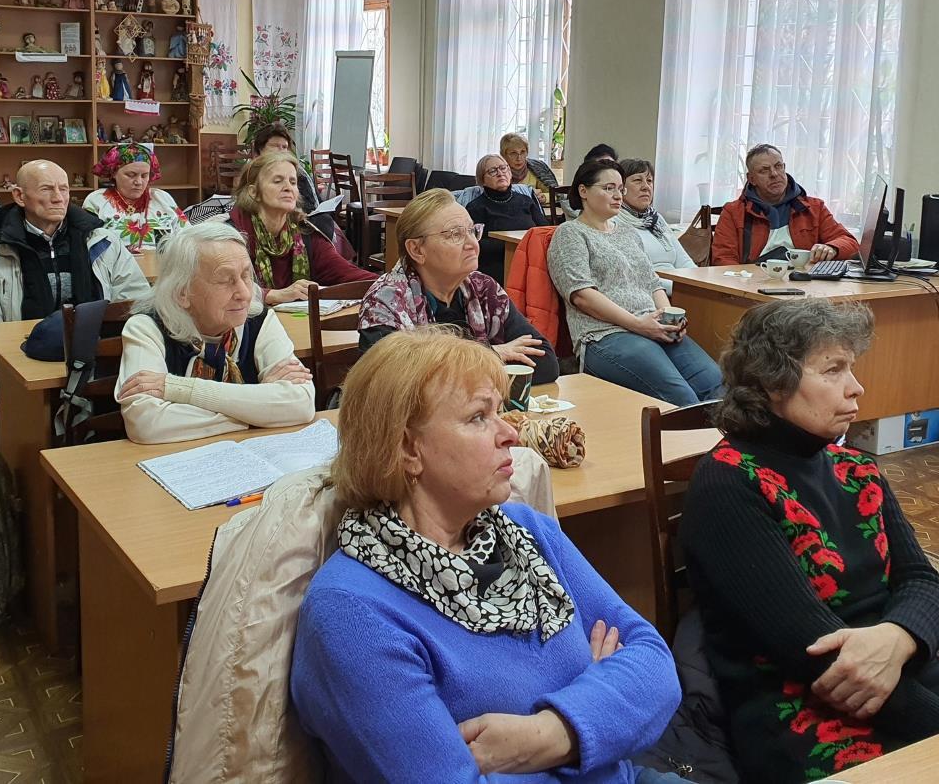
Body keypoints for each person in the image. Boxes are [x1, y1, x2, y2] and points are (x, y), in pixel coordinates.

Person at [290, 327, 683, 783]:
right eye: (479, 417)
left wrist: (550, 734)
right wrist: (603, 702)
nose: (510, 434)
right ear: (408, 449)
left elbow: (656, 666)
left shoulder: (525, 530)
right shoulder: (351, 612)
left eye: (500, 411)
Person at [681, 299, 939, 783]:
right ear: (773, 382)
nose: (857, 387)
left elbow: (922, 581)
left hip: (897, 668)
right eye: (833, 370)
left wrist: (899, 638)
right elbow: (813, 654)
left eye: (851, 368)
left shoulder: (855, 467)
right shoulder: (728, 483)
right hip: (801, 705)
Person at [0, 160, 150, 443]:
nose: (59, 198)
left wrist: (99, 360)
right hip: (18, 373)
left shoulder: (103, 243)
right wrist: (41, 370)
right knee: (32, 432)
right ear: (19, 196)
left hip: (98, 367)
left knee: (133, 417)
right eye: (47, 189)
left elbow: (137, 309)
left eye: (64, 189)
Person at [114, 221, 315, 444]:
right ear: (182, 292)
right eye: (225, 280)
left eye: (246, 276)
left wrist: (180, 390)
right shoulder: (146, 328)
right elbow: (146, 423)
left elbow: (302, 404)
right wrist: (260, 408)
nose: (244, 294)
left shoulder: (259, 319)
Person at [548, 159, 722, 405]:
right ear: (583, 191)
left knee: (717, 385)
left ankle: (720, 433)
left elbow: (652, 282)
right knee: (682, 398)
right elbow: (582, 295)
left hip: (651, 326)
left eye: (620, 189)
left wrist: (668, 319)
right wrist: (639, 325)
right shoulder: (570, 233)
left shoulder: (627, 232)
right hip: (605, 334)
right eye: (608, 188)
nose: (618, 195)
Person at [360, 189, 559, 384]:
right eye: (455, 234)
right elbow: (397, 382)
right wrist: (492, 354)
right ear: (417, 249)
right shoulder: (385, 302)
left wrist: (454, 369)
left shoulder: (483, 288)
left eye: (472, 231)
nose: (472, 244)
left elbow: (545, 363)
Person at [227, 151, 375, 307]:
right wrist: (275, 295)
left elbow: (348, 273)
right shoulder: (232, 236)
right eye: (277, 181)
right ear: (254, 192)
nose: (288, 188)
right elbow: (225, 288)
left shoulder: (306, 233)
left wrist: (388, 284)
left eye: (293, 182)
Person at [711, 144, 859, 266]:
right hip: (751, 284)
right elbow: (723, 260)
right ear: (751, 179)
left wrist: (832, 248)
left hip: (805, 285)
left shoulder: (814, 208)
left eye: (778, 166)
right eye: (764, 170)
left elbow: (850, 243)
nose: (774, 174)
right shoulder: (733, 212)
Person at [614, 158, 696, 293]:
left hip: (680, 289)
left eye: (649, 181)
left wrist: (701, 283)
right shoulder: (615, 221)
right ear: (621, 188)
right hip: (653, 293)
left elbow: (684, 261)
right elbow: (638, 276)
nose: (646, 186)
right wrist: (684, 290)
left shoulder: (656, 219)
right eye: (637, 180)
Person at [82, 142, 183, 251]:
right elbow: (84, 244)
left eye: (144, 176)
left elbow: (187, 237)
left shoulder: (162, 198)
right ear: (114, 173)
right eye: (131, 175)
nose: (138, 182)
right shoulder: (97, 201)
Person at [464, 153, 546, 283]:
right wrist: (511, 244)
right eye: (493, 171)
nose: (500, 173)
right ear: (482, 180)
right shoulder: (476, 207)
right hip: (496, 265)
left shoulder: (526, 201)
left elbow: (545, 230)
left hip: (531, 262)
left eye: (503, 168)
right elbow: (474, 244)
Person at [250, 121, 320, 213]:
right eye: (275, 146)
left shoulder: (296, 172)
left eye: (284, 147)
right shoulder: (252, 173)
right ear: (260, 149)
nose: (281, 151)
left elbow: (313, 205)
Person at [499, 131, 556, 201]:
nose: (519, 158)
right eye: (513, 153)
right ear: (503, 155)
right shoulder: (497, 172)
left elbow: (556, 194)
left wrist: (544, 197)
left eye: (523, 152)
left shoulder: (537, 168)